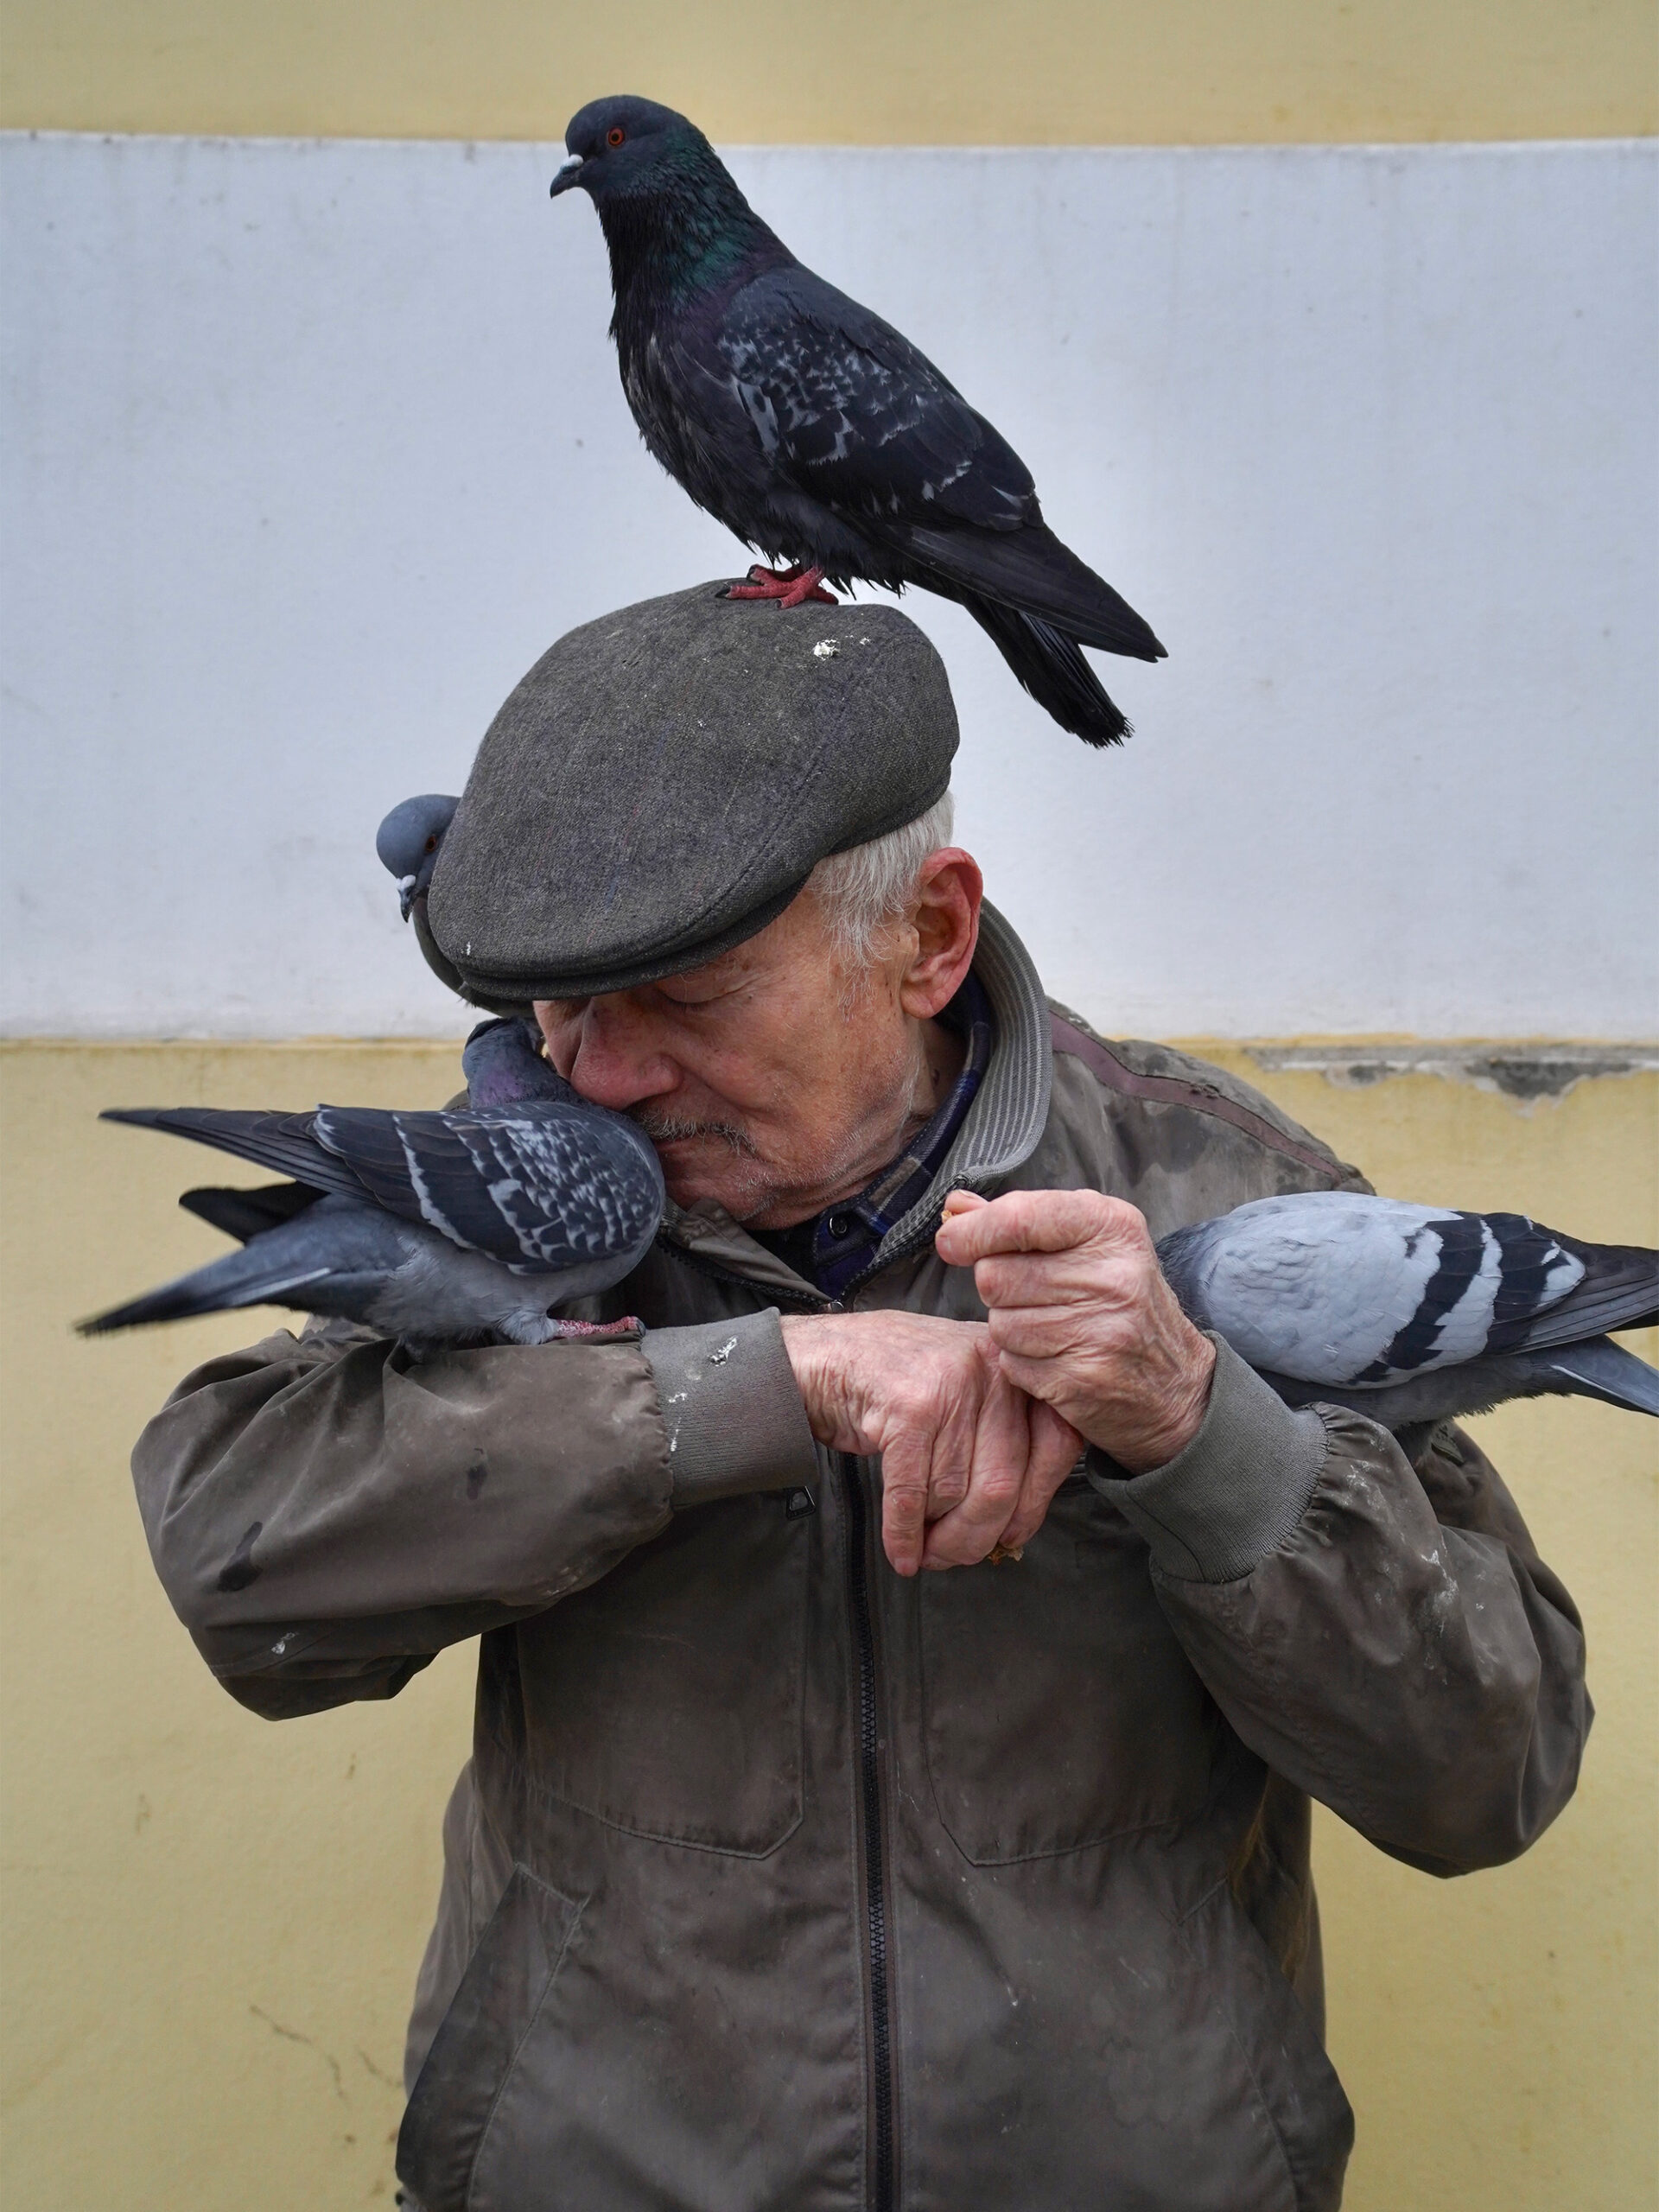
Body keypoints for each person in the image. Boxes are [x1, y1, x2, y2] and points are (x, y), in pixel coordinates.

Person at [131, 582, 1589, 2212]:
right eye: (559, 1005)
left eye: (688, 993)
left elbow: (1487, 1774)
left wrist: (1200, 1430)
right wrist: (747, 1389)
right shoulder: (529, 1188)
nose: (599, 1074)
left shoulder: (1222, 1201)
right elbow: (237, 1560)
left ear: (928, 937)